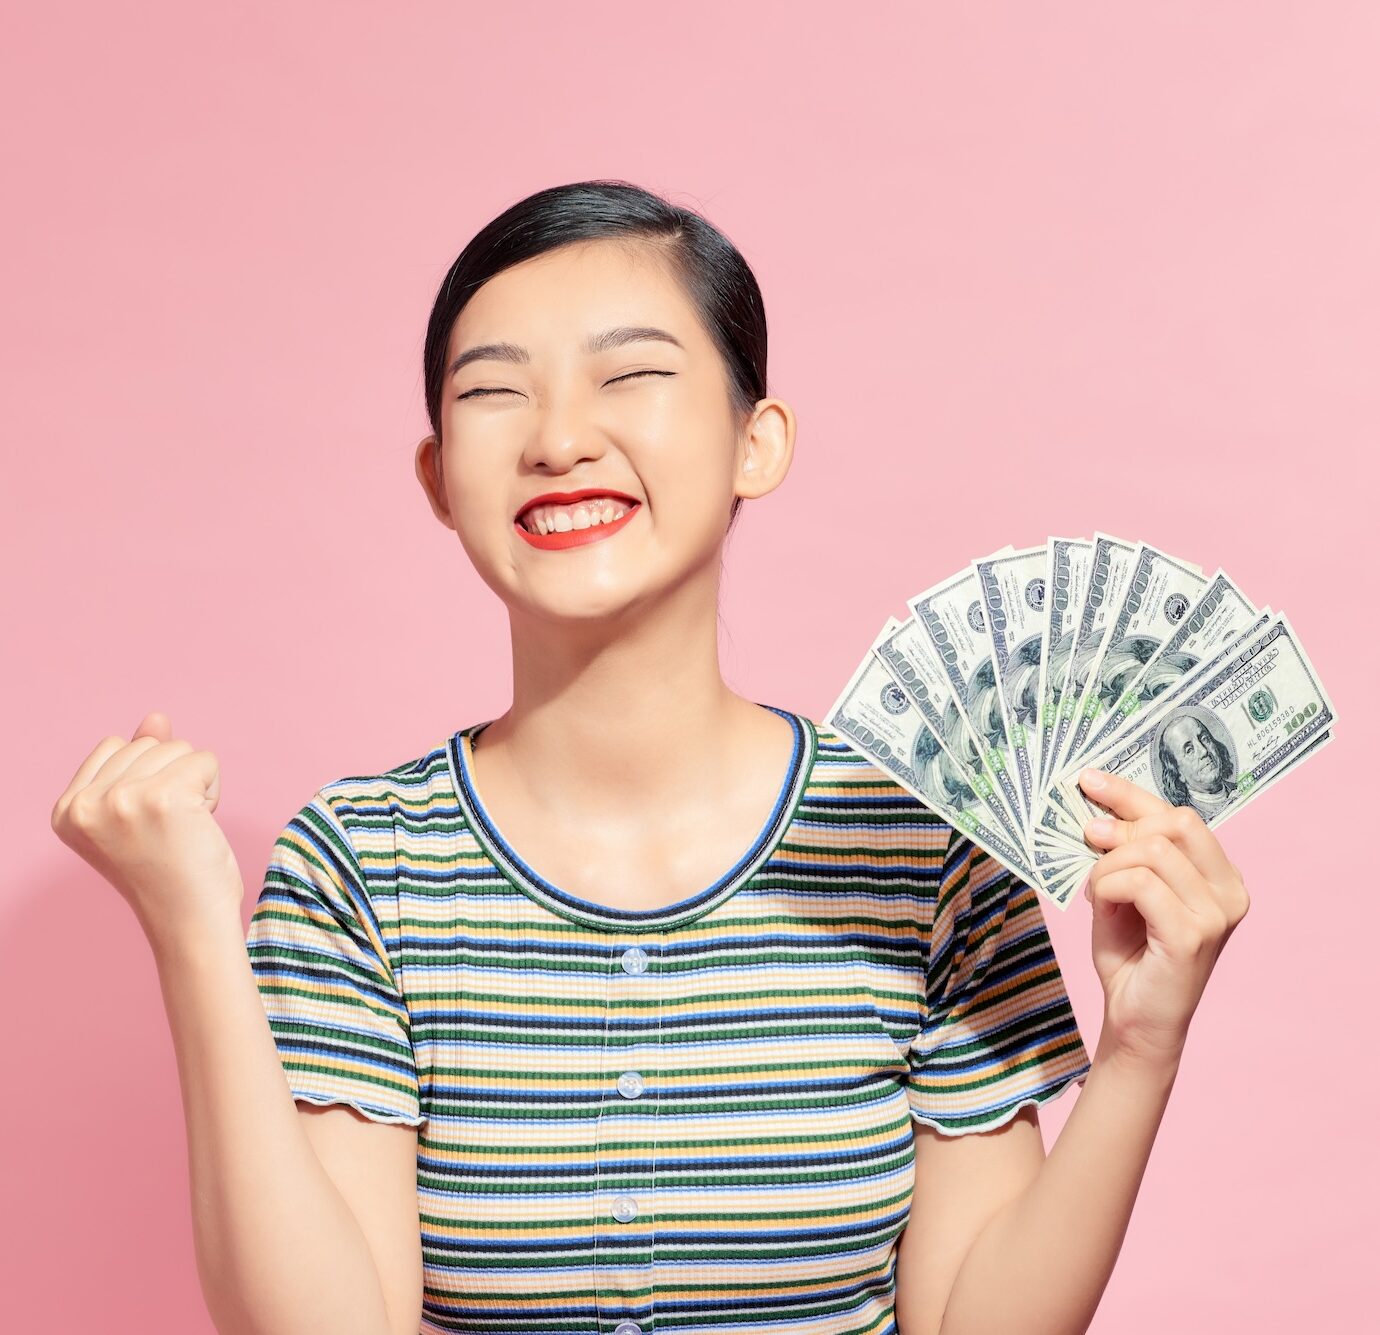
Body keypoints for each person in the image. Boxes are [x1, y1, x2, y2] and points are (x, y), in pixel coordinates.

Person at [51, 179, 1251, 1335]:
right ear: (436, 479)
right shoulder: (362, 865)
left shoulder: (924, 846)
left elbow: (970, 1320)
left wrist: (1142, 1045)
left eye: (630, 376)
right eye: (493, 394)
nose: (561, 438)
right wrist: (194, 930)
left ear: (756, 442)